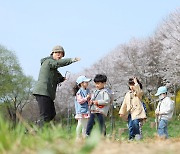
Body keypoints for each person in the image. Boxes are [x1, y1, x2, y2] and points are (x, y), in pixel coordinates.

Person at [33, 45, 80, 127]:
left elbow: (56, 78)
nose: (59, 55)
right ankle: (36, 133)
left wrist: (62, 79)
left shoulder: (53, 69)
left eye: (61, 54)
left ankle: (36, 130)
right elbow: (57, 63)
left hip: (48, 94)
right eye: (57, 53)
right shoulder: (48, 61)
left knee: (51, 114)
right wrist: (72, 60)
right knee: (45, 115)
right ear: (52, 53)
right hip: (42, 92)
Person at [73, 75, 91, 140]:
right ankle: (77, 137)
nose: (87, 83)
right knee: (80, 124)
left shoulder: (88, 90)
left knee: (85, 124)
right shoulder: (79, 92)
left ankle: (84, 136)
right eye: (86, 82)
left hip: (86, 110)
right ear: (81, 83)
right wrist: (87, 98)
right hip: (81, 111)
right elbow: (80, 101)